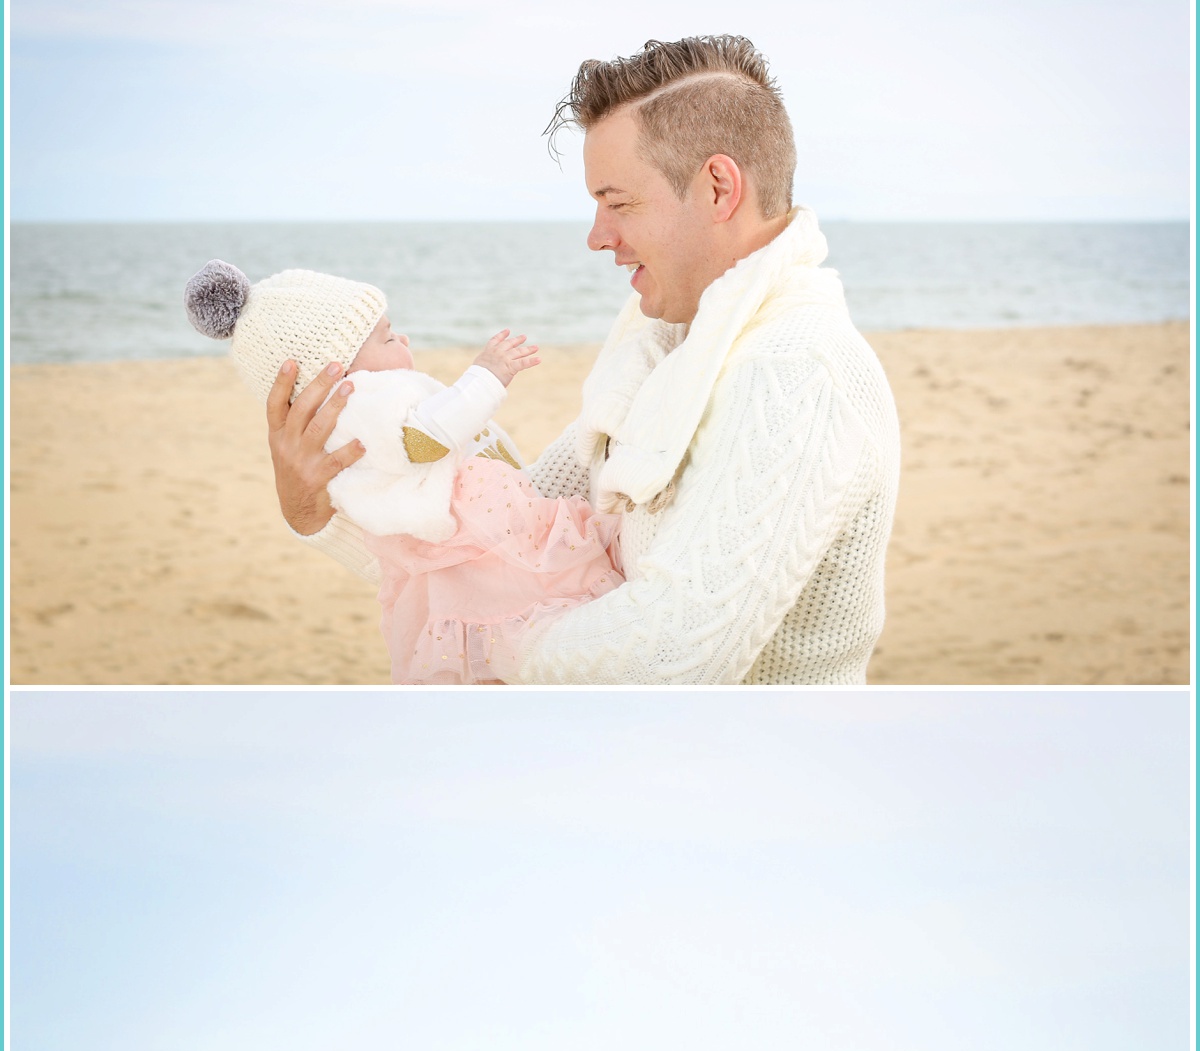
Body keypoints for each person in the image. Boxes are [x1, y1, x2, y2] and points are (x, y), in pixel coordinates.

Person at [266, 35, 901, 687]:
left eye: (618, 202)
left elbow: (671, 653)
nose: (597, 236)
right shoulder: (666, 345)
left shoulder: (795, 371)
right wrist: (314, 503)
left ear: (717, 188)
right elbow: (485, 548)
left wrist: (484, 647)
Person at [184, 262, 620, 683]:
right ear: (338, 373)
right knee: (531, 600)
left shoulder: (362, 409)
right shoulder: (363, 401)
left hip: (475, 539)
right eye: (388, 336)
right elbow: (425, 438)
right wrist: (487, 375)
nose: (404, 337)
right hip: (478, 540)